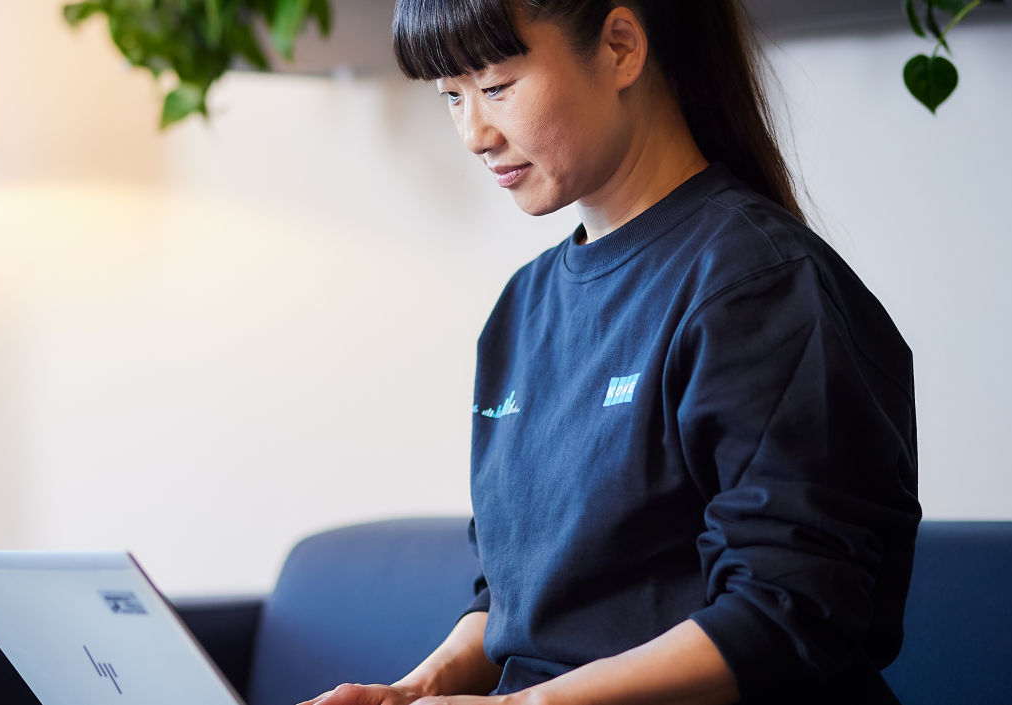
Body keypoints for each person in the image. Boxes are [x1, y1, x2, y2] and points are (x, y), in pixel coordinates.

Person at [297, 2, 922, 704]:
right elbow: (517, 595)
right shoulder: (521, 310)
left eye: (497, 86)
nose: (474, 132)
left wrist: (528, 703)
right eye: (451, 95)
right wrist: (415, 689)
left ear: (622, 48)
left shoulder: (760, 285)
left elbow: (787, 611)